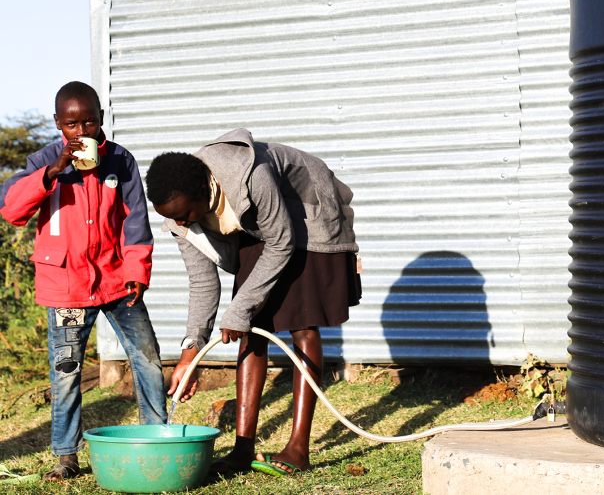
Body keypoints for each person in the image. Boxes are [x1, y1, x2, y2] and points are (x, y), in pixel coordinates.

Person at [145, 128, 360, 476]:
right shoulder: (179, 214)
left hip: (307, 215)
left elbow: (282, 242)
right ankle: (242, 450)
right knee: (250, 329)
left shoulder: (251, 175)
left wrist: (239, 309)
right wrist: (191, 352)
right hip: (260, 228)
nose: (180, 224)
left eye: (185, 216)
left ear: (204, 190)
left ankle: (298, 448)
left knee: (301, 325)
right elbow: (202, 282)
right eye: (174, 219)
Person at [0, 81, 167, 481]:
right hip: (67, 288)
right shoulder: (43, 160)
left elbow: (136, 222)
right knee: (66, 370)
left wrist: (136, 273)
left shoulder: (120, 162)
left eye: (89, 122)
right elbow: (10, 210)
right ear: (59, 123)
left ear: (101, 120)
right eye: (72, 124)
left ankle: (157, 437)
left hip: (117, 282)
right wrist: (53, 172)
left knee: (146, 358)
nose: (81, 132)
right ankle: (66, 456)